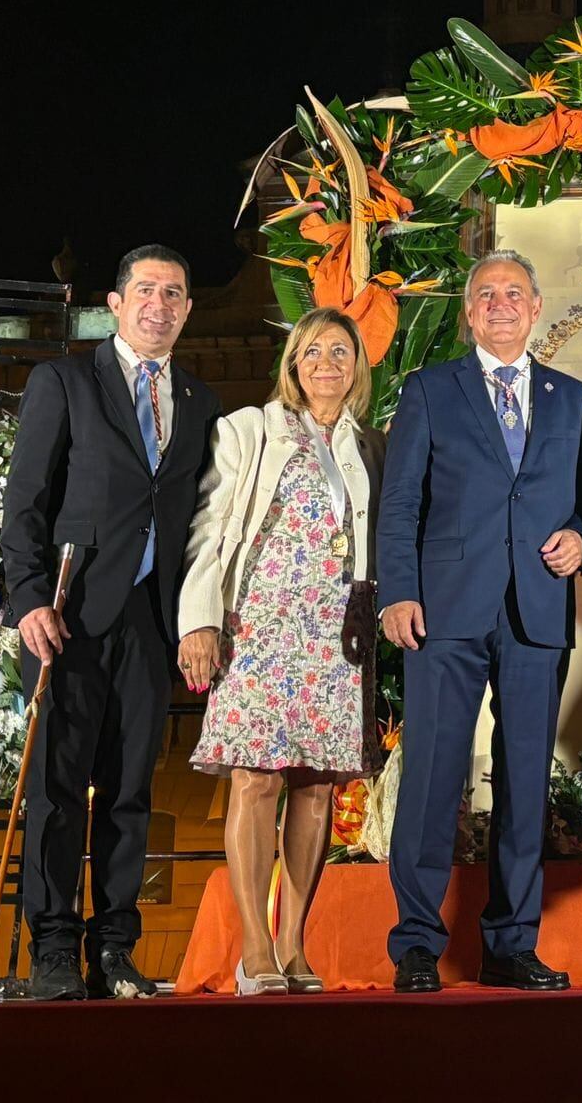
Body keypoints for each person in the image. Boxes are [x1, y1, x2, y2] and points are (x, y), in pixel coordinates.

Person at [1, 246, 222, 1000]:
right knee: (58, 791)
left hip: (151, 619)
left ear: (188, 309)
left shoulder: (198, 401)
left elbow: (202, 521)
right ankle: (54, 948)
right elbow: (26, 496)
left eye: (174, 292)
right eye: (146, 291)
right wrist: (28, 595)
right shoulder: (64, 381)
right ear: (117, 302)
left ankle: (116, 948)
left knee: (131, 790)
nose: (160, 304)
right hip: (67, 612)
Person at [377, 250, 582, 993]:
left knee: (526, 779)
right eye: (486, 294)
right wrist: (397, 592)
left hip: (536, 609)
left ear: (536, 308)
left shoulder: (574, 398)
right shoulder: (430, 390)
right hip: (444, 607)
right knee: (433, 774)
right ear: (470, 313)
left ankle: (510, 942)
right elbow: (401, 499)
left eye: (514, 293)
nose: (500, 304)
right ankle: (414, 942)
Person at [176, 307, 384, 995]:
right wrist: (198, 621)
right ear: (293, 364)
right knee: (256, 779)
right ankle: (254, 952)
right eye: (313, 351)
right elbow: (210, 528)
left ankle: (294, 948)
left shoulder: (370, 447)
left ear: (357, 368)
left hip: (334, 636)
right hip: (257, 630)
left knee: (317, 788)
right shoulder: (250, 430)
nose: (327, 363)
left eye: (340, 353)